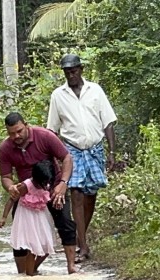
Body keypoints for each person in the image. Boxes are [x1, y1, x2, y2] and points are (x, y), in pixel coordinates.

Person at [47, 54, 117, 263]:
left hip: (94, 147)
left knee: (91, 194)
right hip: (72, 149)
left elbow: (108, 122)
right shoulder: (58, 95)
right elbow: (52, 129)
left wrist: (112, 152)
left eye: (74, 71)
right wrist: (57, 158)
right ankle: (83, 246)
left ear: (81, 69)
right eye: (67, 72)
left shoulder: (95, 90)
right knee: (76, 192)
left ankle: (79, 237)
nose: (71, 75)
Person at [0, 112, 79, 274]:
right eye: (11, 133)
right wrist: (11, 187)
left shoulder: (45, 136)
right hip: (26, 194)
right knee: (21, 233)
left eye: (19, 131)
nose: (16, 136)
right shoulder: (5, 148)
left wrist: (63, 184)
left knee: (65, 222)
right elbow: (5, 177)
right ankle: (23, 272)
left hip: (53, 187)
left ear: (26, 125)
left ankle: (71, 266)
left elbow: (67, 158)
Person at [0, 160, 58, 276]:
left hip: (41, 216)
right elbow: (11, 200)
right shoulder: (26, 186)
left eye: (48, 181)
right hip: (26, 217)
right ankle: (30, 276)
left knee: (47, 245)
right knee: (32, 247)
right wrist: (4, 217)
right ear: (36, 178)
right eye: (44, 182)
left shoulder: (46, 183)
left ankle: (31, 269)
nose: (46, 184)